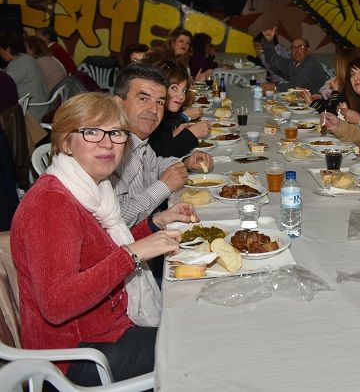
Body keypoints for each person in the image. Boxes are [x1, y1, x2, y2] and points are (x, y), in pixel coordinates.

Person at [10, 92, 196, 386]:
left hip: (104, 330)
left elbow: (96, 251)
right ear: (64, 142)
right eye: (92, 132)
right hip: (74, 356)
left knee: (197, 317)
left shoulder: (91, 189)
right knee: (197, 346)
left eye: (116, 133)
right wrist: (132, 254)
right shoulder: (51, 203)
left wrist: (153, 224)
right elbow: (56, 305)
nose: (107, 143)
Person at [111, 63, 213, 226]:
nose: (153, 109)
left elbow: (155, 165)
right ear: (118, 103)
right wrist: (163, 187)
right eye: (143, 98)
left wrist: (186, 163)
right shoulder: (109, 149)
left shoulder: (138, 141)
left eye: (159, 102)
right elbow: (117, 220)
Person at [148, 60, 210, 158]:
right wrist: (191, 134)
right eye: (174, 88)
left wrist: (173, 135)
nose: (181, 96)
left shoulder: (165, 115)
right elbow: (158, 157)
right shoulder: (150, 116)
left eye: (184, 90)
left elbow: (161, 148)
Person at [297, 48, 360, 116]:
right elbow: (329, 104)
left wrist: (335, 91)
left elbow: (331, 112)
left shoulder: (354, 88)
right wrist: (312, 101)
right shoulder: (348, 86)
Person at [260, 27, 328, 94]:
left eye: (300, 47)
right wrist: (269, 42)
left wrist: (275, 87)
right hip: (300, 98)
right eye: (293, 47)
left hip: (315, 101)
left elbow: (298, 86)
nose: (296, 50)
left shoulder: (312, 65)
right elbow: (273, 59)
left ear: (308, 50)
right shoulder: (292, 63)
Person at [0, 31, 49, 121]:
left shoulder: (18, 65)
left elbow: (5, 85)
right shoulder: (24, 58)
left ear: (8, 49)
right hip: (40, 105)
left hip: (31, 111)